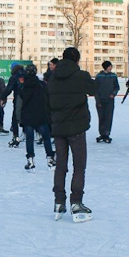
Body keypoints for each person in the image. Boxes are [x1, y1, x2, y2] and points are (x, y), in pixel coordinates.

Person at [47, 47, 96, 223]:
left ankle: (59, 201)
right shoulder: (81, 76)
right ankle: (76, 202)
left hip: (59, 128)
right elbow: (94, 90)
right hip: (76, 127)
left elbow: (48, 101)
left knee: (61, 165)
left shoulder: (53, 77)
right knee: (79, 166)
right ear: (77, 60)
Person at [20, 63, 54, 171]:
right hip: (40, 114)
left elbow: (22, 98)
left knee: (29, 139)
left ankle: (30, 160)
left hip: (28, 115)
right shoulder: (42, 85)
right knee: (46, 137)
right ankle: (50, 158)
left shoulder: (24, 86)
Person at [94, 60, 120, 143]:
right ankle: (102, 133)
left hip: (110, 100)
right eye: (110, 66)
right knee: (101, 117)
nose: (111, 68)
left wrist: (113, 94)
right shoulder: (99, 76)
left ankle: (107, 133)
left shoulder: (113, 76)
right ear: (106, 67)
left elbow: (117, 87)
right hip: (100, 100)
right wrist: (97, 100)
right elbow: (96, 89)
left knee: (108, 117)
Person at [1, 63, 26, 147]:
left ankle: (16, 137)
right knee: (27, 117)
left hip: (18, 100)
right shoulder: (26, 75)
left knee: (15, 118)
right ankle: (28, 134)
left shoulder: (14, 77)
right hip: (29, 100)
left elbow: (8, 89)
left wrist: (2, 97)